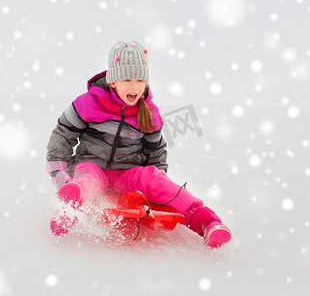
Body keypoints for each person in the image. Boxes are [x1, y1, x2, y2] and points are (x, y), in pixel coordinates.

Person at [46, 41, 231, 248]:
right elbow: (63, 134)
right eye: (127, 79)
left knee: (154, 179)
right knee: (88, 181)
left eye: (140, 79)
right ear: (113, 81)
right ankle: (68, 208)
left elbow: (155, 151)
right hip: (92, 165)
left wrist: (157, 185)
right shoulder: (88, 103)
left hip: (128, 173)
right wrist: (61, 174)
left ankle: (206, 222)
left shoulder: (149, 113)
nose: (134, 86)